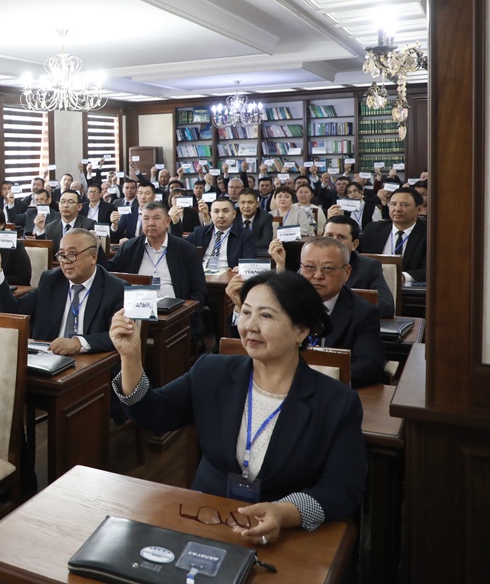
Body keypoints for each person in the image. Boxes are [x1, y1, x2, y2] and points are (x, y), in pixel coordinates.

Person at [109, 270, 366, 544]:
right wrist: (131, 358)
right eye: (246, 312)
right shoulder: (211, 371)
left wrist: (283, 513)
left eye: (266, 316)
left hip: (285, 536)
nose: (250, 326)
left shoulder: (337, 401)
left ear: (301, 331)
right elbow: (153, 414)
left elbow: (343, 489)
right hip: (206, 518)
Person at [236, 237, 384, 387]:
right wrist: (238, 309)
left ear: (346, 272)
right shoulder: (281, 302)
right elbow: (241, 347)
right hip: (273, 385)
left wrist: (309, 379)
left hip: (326, 391)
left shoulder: (364, 312)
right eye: (309, 267)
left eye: (328, 268)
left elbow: (370, 367)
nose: (318, 275)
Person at [0, 228, 124, 355]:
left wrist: (79, 343)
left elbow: (121, 334)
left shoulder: (116, 289)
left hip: (92, 361)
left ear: (93, 257)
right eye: (61, 254)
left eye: (72, 254)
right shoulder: (51, 280)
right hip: (47, 356)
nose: (65, 261)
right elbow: (14, 312)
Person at [105, 201, 207, 340]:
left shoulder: (186, 249)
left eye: (156, 218)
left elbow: (199, 290)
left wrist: (186, 313)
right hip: (135, 314)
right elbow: (110, 273)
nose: (151, 223)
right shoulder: (129, 247)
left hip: (175, 314)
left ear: (167, 222)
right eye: (146, 219)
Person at [322, 215, 395, 318]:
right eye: (329, 235)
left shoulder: (369, 267)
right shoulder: (309, 265)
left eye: (341, 237)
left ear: (354, 244)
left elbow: (386, 308)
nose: (333, 242)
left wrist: (339, 308)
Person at [360, 187, 426, 282]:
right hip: (375, 285)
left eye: (404, 205)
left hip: (410, 288)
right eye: (393, 204)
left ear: (419, 209)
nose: (397, 209)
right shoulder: (373, 229)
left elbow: (432, 269)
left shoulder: (428, 234)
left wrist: (403, 277)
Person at [179, 196, 251, 271]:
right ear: (211, 214)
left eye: (225, 211)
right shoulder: (200, 232)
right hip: (201, 274)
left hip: (228, 274)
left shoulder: (245, 235)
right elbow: (180, 249)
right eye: (216, 211)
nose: (221, 216)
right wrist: (175, 223)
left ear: (234, 214)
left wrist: (241, 268)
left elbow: (249, 262)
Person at [34, 190, 95, 256]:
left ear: (79, 206)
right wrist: (41, 229)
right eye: (62, 202)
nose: (65, 205)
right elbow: (45, 253)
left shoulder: (88, 225)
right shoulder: (50, 227)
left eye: (70, 202)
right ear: (59, 206)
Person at [236, 189, 273, 257]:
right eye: (243, 202)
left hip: (257, 254)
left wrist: (243, 245)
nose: (246, 206)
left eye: (250, 202)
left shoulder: (265, 217)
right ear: (238, 204)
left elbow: (266, 242)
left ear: (257, 204)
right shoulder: (233, 216)